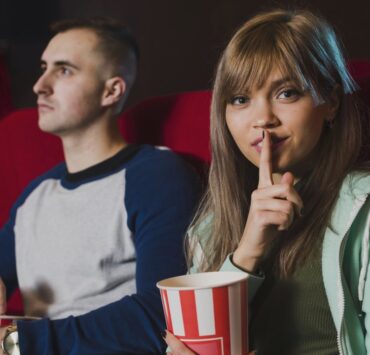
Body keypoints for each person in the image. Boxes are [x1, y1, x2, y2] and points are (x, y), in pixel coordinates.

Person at [164, 8, 370, 355]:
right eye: (241, 99)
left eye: (286, 93)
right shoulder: (210, 227)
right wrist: (247, 251)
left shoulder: (363, 207)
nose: (262, 119)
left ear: (331, 102)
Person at [0, 17, 200, 354]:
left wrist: (18, 343)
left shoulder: (156, 175)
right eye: (43, 67)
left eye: (63, 70)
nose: (40, 85)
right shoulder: (35, 194)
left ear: (112, 90)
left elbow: (162, 314)